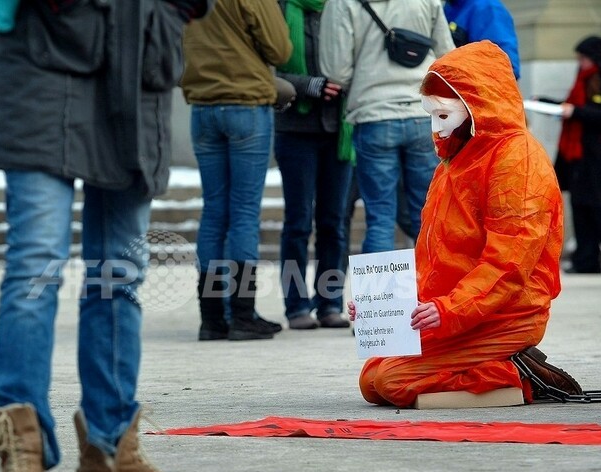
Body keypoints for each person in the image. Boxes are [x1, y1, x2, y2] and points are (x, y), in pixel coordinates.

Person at [0, 0, 214, 472]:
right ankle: (22, 454)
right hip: (42, 56)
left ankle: (111, 460)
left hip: (137, 57)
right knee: (36, 266)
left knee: (120, 275)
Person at [347, 40, 581, 408]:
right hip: (458, 308)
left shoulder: (516, 161)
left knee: (393, 381)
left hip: (507, 313)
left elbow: (507, 266)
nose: (435, 128)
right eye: (431, 115)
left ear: (479, 108)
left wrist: (448, 310)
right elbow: (437, 253)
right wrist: (383, 306)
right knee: (372, 379)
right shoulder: (459, 157)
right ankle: (504, 366)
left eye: (443, 115)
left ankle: (520, 373)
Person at [182, 0, 292, 341]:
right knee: (243, 212)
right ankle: (243, 315)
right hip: (246, 105)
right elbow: (280, 49)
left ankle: (212, 319)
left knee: (214, 211)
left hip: (202, 106)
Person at [319, 0, 454, 256]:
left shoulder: (341, 4)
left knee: (379, 217)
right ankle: (433, 281)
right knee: (428, 214)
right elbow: (447, 55)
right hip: (422, 113)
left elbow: (336, 72)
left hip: (374, 115)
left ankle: (382, 284)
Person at [274, 0, 353, 331]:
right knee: (298, 223)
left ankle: (330, 302)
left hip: (339, 130)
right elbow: (266, 69)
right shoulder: (280, 8)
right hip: (295, 130)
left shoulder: (343, 9)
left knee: (333, 223)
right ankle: (296, 305)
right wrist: (307, 85)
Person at [554, 36, 601, 275]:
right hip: (580, 157)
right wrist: (549, 104)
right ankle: (586, 261)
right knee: (581, 207)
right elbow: (576, 108)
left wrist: (575, 112)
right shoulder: (582, 82)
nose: (581, 63)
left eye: (584, 58)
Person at [443, 0, 520, 79]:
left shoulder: (486, 7)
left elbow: (499, 63)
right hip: (464, 80)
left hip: (484, 81)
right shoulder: (451, 7)